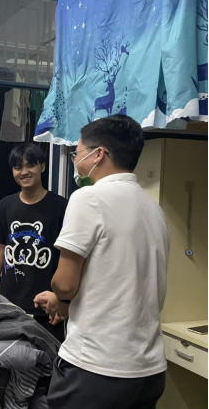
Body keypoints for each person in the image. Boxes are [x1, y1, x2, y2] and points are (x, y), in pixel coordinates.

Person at [34, 115, 169, 409]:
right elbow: (121, 282)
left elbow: (65, 284)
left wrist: (59, 296)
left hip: (96, 368)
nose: (75, 160)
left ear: (99, 154)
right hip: (149, 370)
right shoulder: (153, 208)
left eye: (78, 152)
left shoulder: (88, 198)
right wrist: (66, 305)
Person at [0, 144, 68, 342]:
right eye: (18, 167)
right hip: (11, 300)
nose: (24, 172)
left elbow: (68, 255)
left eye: (30, 165)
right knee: (11, 354)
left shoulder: (61, 207)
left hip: (47, 301)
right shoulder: (5, 205)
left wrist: (63, 300)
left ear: (42, 167)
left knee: (49, 355)